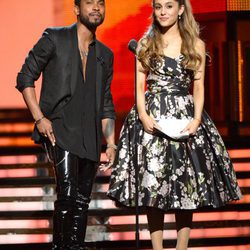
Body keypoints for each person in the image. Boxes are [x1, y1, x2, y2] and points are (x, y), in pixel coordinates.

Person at [107, 0, 242, 249]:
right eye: (158, 7)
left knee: (185, 183)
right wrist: (144, 115)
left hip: (184, 117)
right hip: (153, 117)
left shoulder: (195, 45)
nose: (163, 12)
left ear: (181, 9)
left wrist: (196, 120)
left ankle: (182, 247)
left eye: (169, 6)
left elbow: (198, 87)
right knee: (153, 184)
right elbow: (139, 85)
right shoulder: (146, 43)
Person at [16, 0, 116, 249]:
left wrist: (112, 142)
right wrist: (40, 118)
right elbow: (25, 76)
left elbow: (106, 102)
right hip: (59, 130)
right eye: (89, 3)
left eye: (100, 3)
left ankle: (74, 246)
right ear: (76, 8)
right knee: (68, 194)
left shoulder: (105, 55)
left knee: (82, 201)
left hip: (90, 135)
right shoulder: (55, 38)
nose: (96, 8)